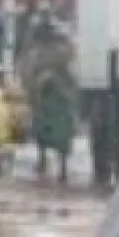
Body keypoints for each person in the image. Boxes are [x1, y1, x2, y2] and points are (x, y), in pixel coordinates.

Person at [25, 21, 77, 184]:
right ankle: (60, 168)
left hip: (51, 97)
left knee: (47, 131)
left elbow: (30, 75)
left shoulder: (38, 53)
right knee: (57, 133)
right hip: (55, 97)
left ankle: (47, 163)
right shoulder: (62, 49)